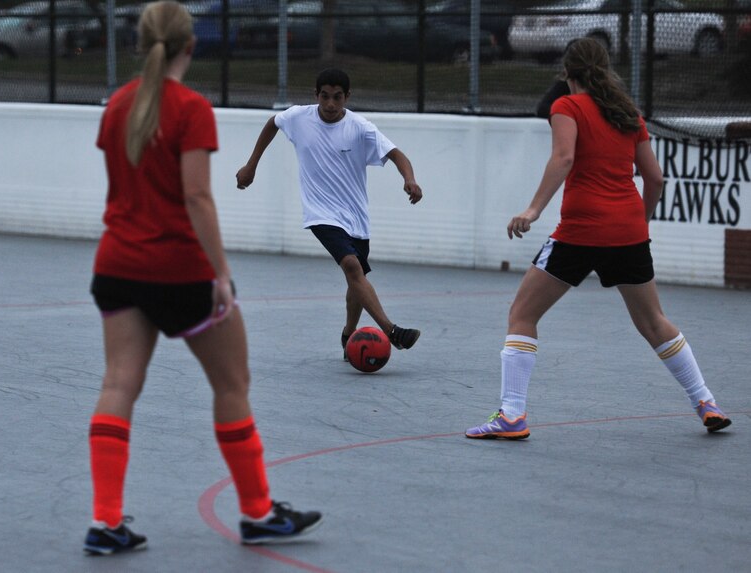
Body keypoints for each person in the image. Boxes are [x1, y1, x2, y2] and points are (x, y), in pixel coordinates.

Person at [84, 1, 322, 555]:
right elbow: (195, 196)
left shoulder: (116, 107)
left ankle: (104, 521)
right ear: (192, 47)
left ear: (141, 44)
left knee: (118, 385)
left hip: (117, 265)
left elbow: (121, 190)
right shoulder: (191, 108)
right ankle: (258, 511)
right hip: (180, 272)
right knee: (232, 385)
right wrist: (221, 273)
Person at [466, 38, 732, 441]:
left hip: (580, 230)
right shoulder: (628, 113)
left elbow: (564, 158)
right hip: (628, 231)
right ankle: (707, 403)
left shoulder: (567, 106)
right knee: (654, 323)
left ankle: (512, 416)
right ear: (605, 69)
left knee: (522, 314)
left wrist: (533, 210)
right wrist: (639, 225)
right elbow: (656, 178)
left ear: (566, 73)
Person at [235, 68, 424, 358]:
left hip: (356, 218)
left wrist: (409, 179)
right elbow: (273, 122)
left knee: (355, 277)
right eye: (325, 97)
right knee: (351, 266)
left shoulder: (360, 127)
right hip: (320, 213)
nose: (331, 105)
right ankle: (392, 331)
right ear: (316, 95)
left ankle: (349, 336)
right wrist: (251, 166)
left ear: (347, 97)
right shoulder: (299, 117)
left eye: (338, 98)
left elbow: (398, 155)